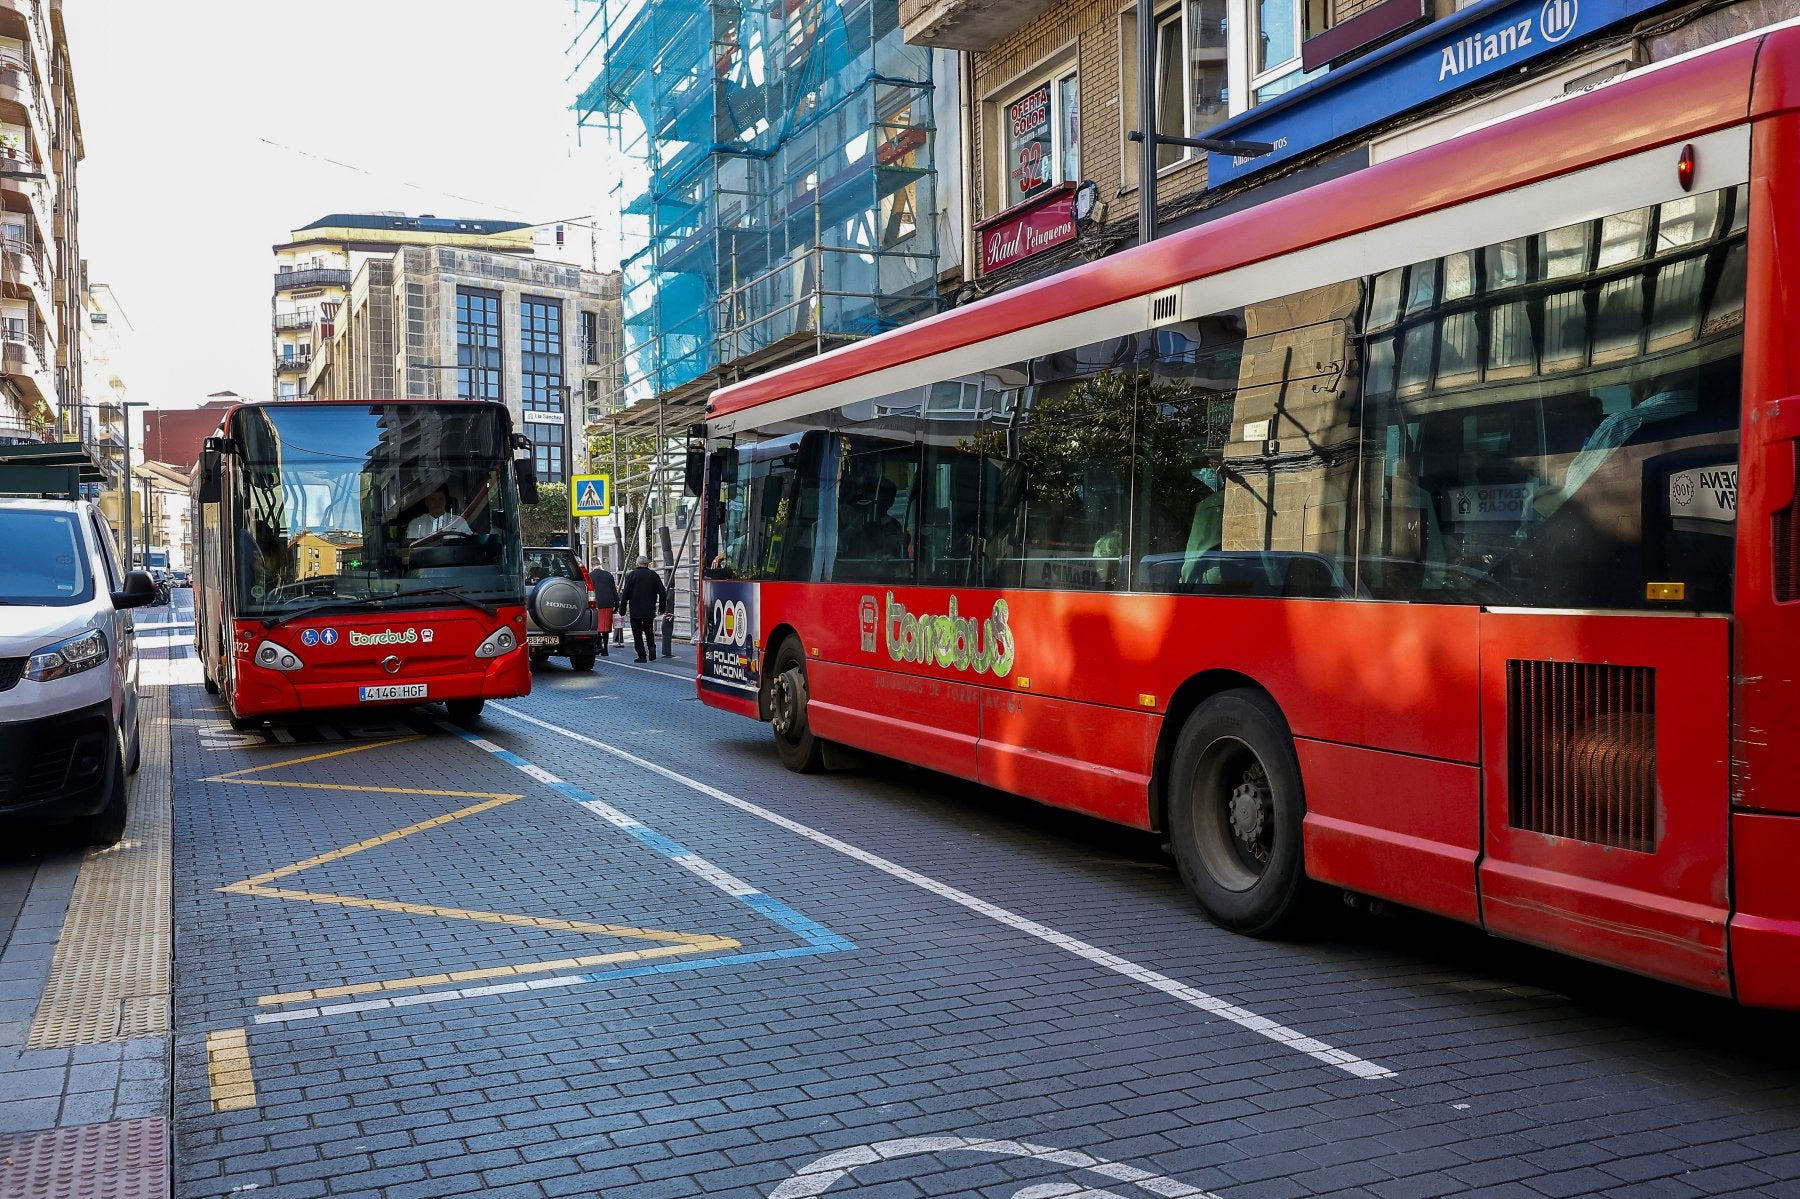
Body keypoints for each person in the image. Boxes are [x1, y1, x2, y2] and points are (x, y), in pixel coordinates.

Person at [618, 554, 668, 661]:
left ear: (637, 563)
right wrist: (662, 608)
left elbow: (625, 594)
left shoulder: (631, 575)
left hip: (635, 610)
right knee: (649, 629)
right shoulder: (653, 575)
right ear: (647, 564)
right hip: (649, 608)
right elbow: (662, 592)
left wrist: (622, 609)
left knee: (637, 633)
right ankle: (652, 647)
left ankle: (642, 655)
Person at [406, 486, 473, 542]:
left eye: (440, 499)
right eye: (433, 499)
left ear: (445, 501)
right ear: (427, 502)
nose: (437, 503)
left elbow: (470, 542)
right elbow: (412, 550)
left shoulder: (459, 521)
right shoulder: (415, 524)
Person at [590, 562, 619, 657]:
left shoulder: (590, 576)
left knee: (596, 627)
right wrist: (617, 604)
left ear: (592, 565)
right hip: (608, 604)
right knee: (605, 628)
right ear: (600, 564)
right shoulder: (608, 575)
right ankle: (605, 649)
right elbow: (614, 591)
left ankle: (598, 645)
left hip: (595, 604)